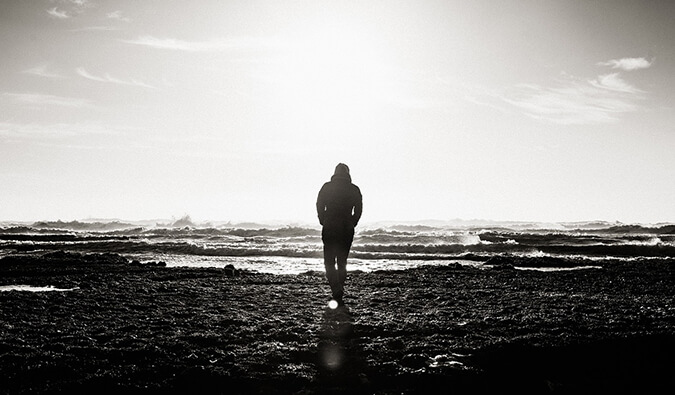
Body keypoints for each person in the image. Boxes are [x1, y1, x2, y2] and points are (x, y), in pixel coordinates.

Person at [316, 163, 362, 304]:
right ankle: (339, 287)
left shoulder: (327, 187)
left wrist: (323, 219)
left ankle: (336, 288)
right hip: (346, 227)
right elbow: (359, 208)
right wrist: (353, 222)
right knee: (342, 262)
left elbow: (319, 204)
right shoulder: (354, 189)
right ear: (348, 173)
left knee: (329, 262)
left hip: (330, 226)